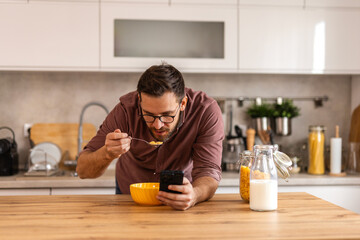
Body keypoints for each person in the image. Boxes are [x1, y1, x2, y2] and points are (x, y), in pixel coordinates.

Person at [76, 63, 224, 210]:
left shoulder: (205, 110)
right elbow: (82, 170)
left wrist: (195, 195)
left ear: (183, 103)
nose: (158, 125)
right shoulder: (125, 110)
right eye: (149, 114)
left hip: (181, 199)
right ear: (140, 102)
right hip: (130, 199)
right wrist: (106, 154)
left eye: (167, 115)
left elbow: (209, 171)